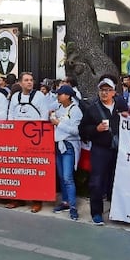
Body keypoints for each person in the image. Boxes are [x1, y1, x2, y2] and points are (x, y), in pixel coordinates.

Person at [79, 76, 129, 225]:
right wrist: (96, 129)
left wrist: (127, 117)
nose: (104, 93)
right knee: (97, 182)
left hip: (117, 150)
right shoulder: (92, 109)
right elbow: (82, 130)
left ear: (114, 92)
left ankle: (117, 211)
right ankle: (97, 213)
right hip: (100, 150)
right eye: (102, 90)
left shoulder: (120, 107)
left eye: (108, 90)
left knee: (116, 181)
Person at [7, 72, 51, 212]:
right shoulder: (15, 97)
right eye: (26, 80)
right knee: (17, 169)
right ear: (20, 83)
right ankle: (17, 198)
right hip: (18, 137)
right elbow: (11, 116)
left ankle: (36, 200)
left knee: (34, 171)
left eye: (31, 80)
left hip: (34, 139)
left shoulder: (39, 96)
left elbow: (44, 116)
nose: (29, 82)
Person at [50, 84, 82, 220]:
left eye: (60, 94)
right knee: (62, 176)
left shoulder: (75, 110)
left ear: (68, 96)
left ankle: (73, 207)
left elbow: (75, 131)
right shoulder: (58, 107)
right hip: (59, 144)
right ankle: (65, 202)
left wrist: (58, 123)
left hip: (69, 145)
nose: (58, 96)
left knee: (68, 177)